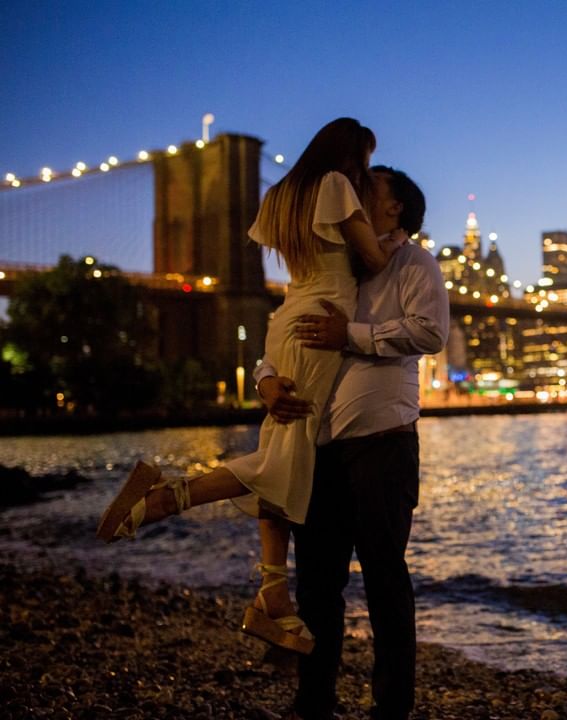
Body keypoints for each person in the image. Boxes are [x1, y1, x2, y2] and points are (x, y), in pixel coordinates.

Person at [96, 118, 401, 655]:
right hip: (321, 323)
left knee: (285, 451)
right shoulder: (334, 185)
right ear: (349, 153)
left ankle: (273, 594)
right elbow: (372, 260)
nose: (367, 171)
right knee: (285, 459)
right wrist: (398, 238)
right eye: (365, 158)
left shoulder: (280, 196)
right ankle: (165, 497)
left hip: (287, 319)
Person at [256, 166, 448, 720]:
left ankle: (391, 709)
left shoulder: (416, 265)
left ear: (394, 211)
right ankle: (313, 703)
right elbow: (280, 338)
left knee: (386, 581)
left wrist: (354, 336)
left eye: (370, 189)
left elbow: (431, 332)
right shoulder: (324, 264)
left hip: (382, 446)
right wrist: (266, 379)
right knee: (318, 585)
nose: (354, 193)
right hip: (317, 448)